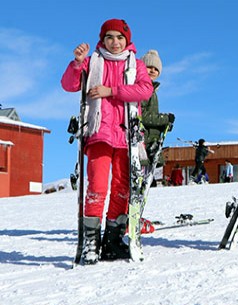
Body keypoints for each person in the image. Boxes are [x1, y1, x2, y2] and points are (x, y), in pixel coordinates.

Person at [61, 19, 153, 264]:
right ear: (102, 39)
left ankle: (112, 240)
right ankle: (91, 241)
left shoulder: (137, 65)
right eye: (110, 37)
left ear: (127, 40)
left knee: (123, 188)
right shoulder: (93, 62)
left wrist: (110, 91)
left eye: (120, 37)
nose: (115, 42)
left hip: (127, 136)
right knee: (98, 186)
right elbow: (69, 85)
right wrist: (77, 63)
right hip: (99, 132)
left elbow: (145, 90)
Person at [140, 49, 175, 167]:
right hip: (143, 141)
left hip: (151, 140)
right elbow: (142, 116)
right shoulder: (142, 89)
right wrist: (164, 119)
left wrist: (164, 125)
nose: (152, 71)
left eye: (156, 69)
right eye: (149, 67)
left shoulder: (152, 90)